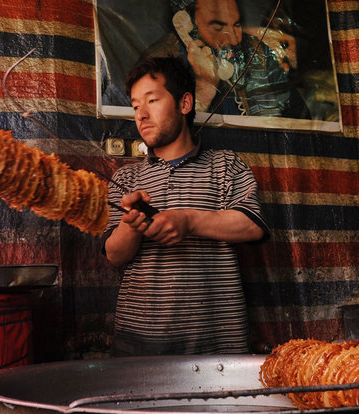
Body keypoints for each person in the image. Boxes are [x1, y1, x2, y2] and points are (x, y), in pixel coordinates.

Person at [102, 56, 270, 356]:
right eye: (136, 106)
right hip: (140, 346)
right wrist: (132, 225)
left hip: (217, 347)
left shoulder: (225, 165)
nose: (141, 115)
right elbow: (114, 256)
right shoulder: (126, 178)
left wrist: (189, 221)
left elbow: (253, 225)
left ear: (184, 104)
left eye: (152, 100)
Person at [142, 0, 308, 118]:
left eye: (236, 25)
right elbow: (165, 136)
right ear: (186, 23)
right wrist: (205, 87)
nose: (234, 40)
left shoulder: (257, 52)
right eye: (218, 27)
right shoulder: (160, 62)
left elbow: (299, 118)